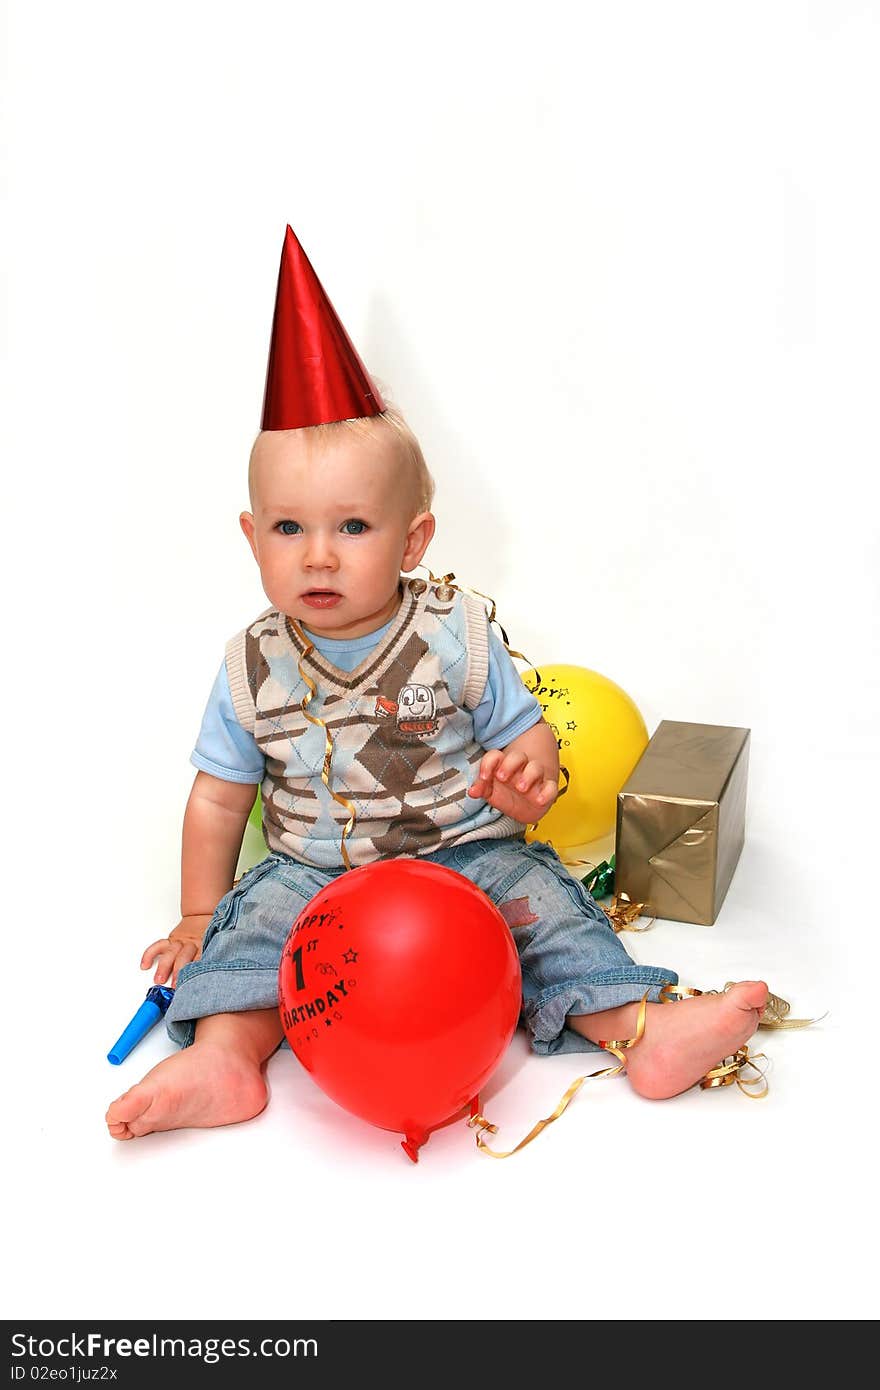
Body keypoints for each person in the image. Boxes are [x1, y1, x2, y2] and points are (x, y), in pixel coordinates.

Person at [106, 228, 768, 1141]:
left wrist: (525, 776)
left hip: (465, 857)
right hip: (316, 876)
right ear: (252, 538)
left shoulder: (454, 635)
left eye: (353, 525)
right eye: (290, 528)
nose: (321, 554)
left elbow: (526, 734)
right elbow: (220, 802)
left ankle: (638, 1031)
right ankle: (226, 1055)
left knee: (545, 917)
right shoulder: (249, 666)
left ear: (413, 541)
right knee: (256, 937)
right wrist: (194, 911)